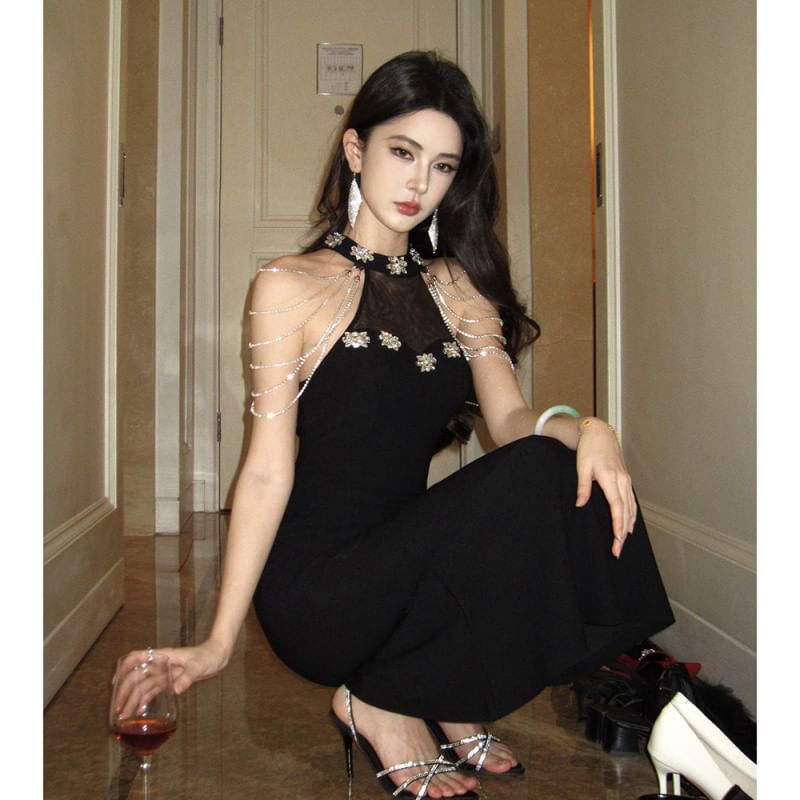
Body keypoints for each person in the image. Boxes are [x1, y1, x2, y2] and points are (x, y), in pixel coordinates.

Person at [115, 51, 673, 799]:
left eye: (442, 166)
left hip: (409, 573)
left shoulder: (457, 287)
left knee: (551, 466)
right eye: (402, 153)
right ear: (356, 150)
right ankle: (382, 700)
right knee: (535, 474)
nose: (418, 184)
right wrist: (218, 641)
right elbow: (268, 470)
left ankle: (431, 688)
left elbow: (512, 420)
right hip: (320, 589)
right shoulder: (288, 286)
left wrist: (589, 427)